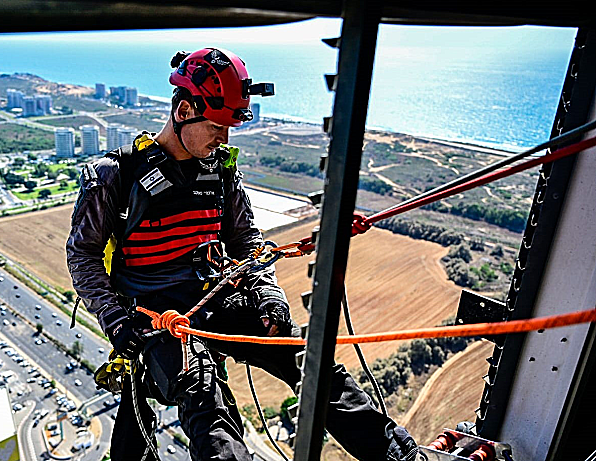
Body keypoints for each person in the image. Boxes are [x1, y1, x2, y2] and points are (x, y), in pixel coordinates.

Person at [67, 47, 418, 461]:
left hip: (216, 297)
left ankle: (399, 456)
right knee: (204, 396)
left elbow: (246, 240)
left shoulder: (220, 170)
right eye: (217, 126)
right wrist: (118, 323)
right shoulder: (116, 176)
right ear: (182, 111)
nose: (225, 138)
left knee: (306, 361)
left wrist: (267, 295)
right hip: (156, 315)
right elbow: (84, 257)